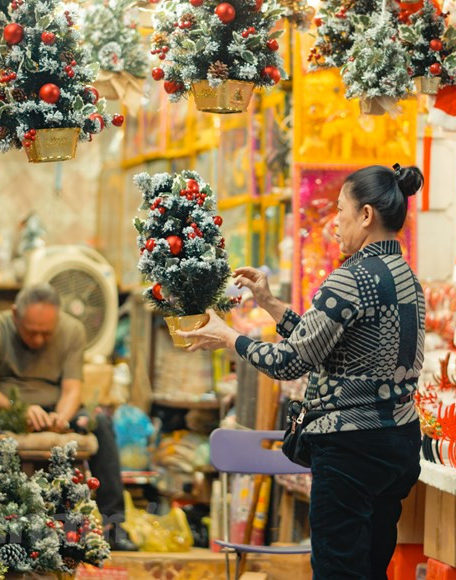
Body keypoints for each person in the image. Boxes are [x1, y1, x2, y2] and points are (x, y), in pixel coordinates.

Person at [180, 164, 426, 579]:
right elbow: (336, 347)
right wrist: (271, 305)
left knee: (338, 570)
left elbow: (291, 362)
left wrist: (229, 337)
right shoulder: (406, 278)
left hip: (351, 449)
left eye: (341, 208)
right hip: (397, 443)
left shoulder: (351, 279)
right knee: (371, 566)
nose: (335, 221)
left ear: (366, 215)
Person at [0, 283, 136, 551]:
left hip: (57, 407)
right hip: (8, 408)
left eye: (46, 333)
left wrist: (60, 419)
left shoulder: (72, 330)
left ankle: (113, 525)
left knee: (102, 425)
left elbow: (72, 389)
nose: (39, 340)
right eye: (32, 332)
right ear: (16, 314)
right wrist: (19, 409)